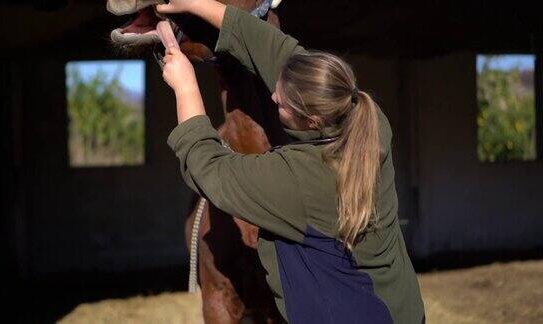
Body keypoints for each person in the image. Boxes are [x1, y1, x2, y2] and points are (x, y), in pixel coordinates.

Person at [158, 0, 425, 323]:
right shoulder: (369, 121)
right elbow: (275, 48)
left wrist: (185, 85)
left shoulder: (296, 180)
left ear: (311, 121)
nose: (272, 97)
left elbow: (208, 168)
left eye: (281, 103)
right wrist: (195, 3)